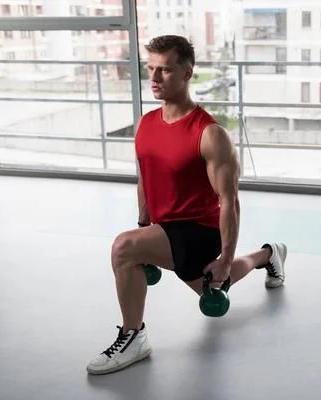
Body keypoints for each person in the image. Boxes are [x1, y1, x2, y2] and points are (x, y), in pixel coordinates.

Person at [86, 35, 288, 375]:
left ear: (187, 73)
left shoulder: (209, 133)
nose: (154, 78)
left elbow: (229, 202)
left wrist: (223, 258)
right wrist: (143, 225)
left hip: (199, 230)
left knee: (124, 249)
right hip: (166, 229)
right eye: (150, 68)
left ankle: (133, 336)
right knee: (210, 285)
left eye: (164, 70)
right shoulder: (146, 124)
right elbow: (146, 179)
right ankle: (270, 253)